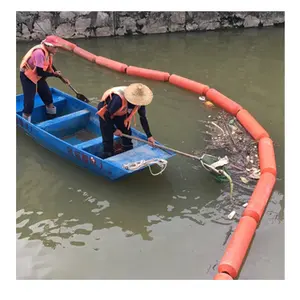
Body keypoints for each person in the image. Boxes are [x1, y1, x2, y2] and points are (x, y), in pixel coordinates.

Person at [96, 83, 155, 158]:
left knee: (127, 134)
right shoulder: (118, 100)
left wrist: (149, 136)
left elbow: (143, 117)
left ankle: (127, 151)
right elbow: (106, 115)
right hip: (106, 112)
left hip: (121, 111)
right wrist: (114, 130)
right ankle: (107, 154)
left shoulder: (141, 102)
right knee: (108, 139)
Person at [19, 35, 70, 122]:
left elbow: (50, 65)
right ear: (47, 45)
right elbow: (40, 72)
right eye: (55, 47)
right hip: (28, 76)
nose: (56, 50)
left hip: (38, 75)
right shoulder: (39, 53)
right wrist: (54, 75)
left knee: (48, 97)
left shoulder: (49, 52)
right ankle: (26, 121)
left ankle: (52, 119)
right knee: (29, 103)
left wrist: (61, 78)